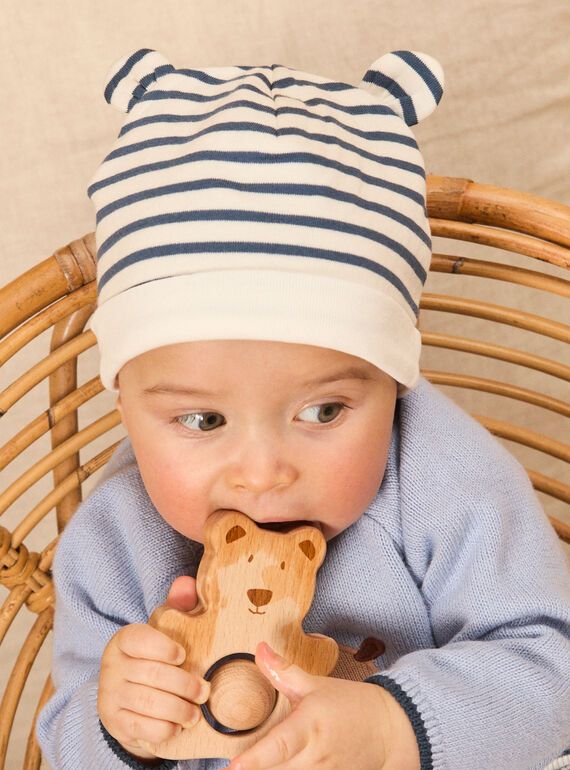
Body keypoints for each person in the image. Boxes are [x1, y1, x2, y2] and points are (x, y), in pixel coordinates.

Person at [36, 48, 570, 770]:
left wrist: (393, 728)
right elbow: (64, 737)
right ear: (124, 404)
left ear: (393, 382)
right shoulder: (115, 542)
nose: (263, 474)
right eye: (202, 421)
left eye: (323, 412)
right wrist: (117, 726)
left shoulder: (451, 483)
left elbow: (552, 670)